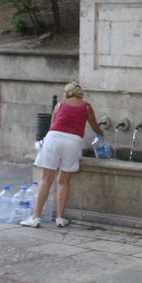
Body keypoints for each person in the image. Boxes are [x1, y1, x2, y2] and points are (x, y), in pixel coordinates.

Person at [21, 81, 104, 229]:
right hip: (73, 141)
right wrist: (101, 132)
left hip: (53, 139)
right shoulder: (86, 106)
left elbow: (53, 125)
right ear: (80, 93)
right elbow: (94, 125)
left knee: (46, 180)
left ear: (66, 93)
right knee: (63, 181)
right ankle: (60, 218)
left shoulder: (59, 105)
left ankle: (35, 218)